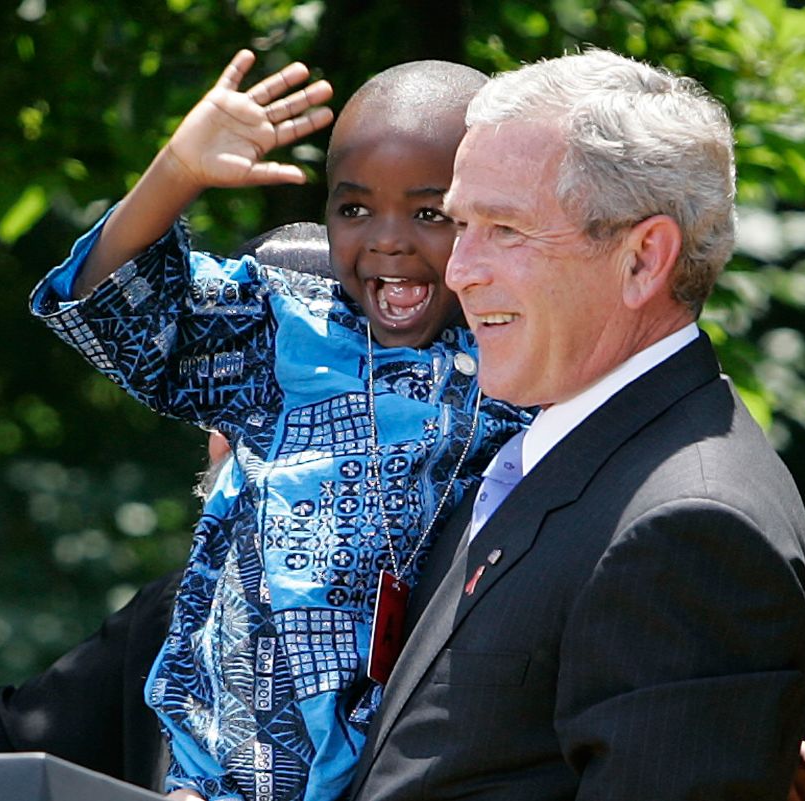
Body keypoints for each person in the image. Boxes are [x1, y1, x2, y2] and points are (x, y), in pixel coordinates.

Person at [0, 226, 805, 798]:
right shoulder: (180, 623)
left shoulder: (526, 579)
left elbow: (716, 735)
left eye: (327, 397)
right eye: (236, 388)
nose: (287, 436)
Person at [340, 48, 805, 801]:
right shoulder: (547, 456)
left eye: (505, 229)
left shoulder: (691, 530)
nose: (460, 267)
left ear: (643, 259)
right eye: (460, 223)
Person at [29, 53, 528, 801]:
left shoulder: (526, 356)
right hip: (228, 780)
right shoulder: (284, 329)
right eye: (354, 208)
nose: (386, 240)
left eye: (430, 213)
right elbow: (112, 306)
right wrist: (177, 171)